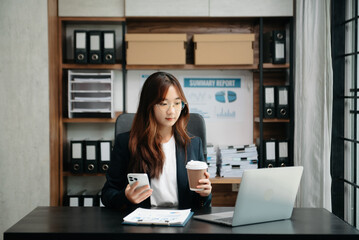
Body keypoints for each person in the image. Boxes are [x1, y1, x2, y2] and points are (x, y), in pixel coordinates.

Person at [101, 72, 212, 211]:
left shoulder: (193, 144)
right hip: (143, 224)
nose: (172, 111)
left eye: (177, 103)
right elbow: (107, 194)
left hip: (182, 223)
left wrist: (205, 195)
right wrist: (125, 197)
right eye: (163, 104)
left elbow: (201, 204)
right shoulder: (126, 143)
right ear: (149, 106)